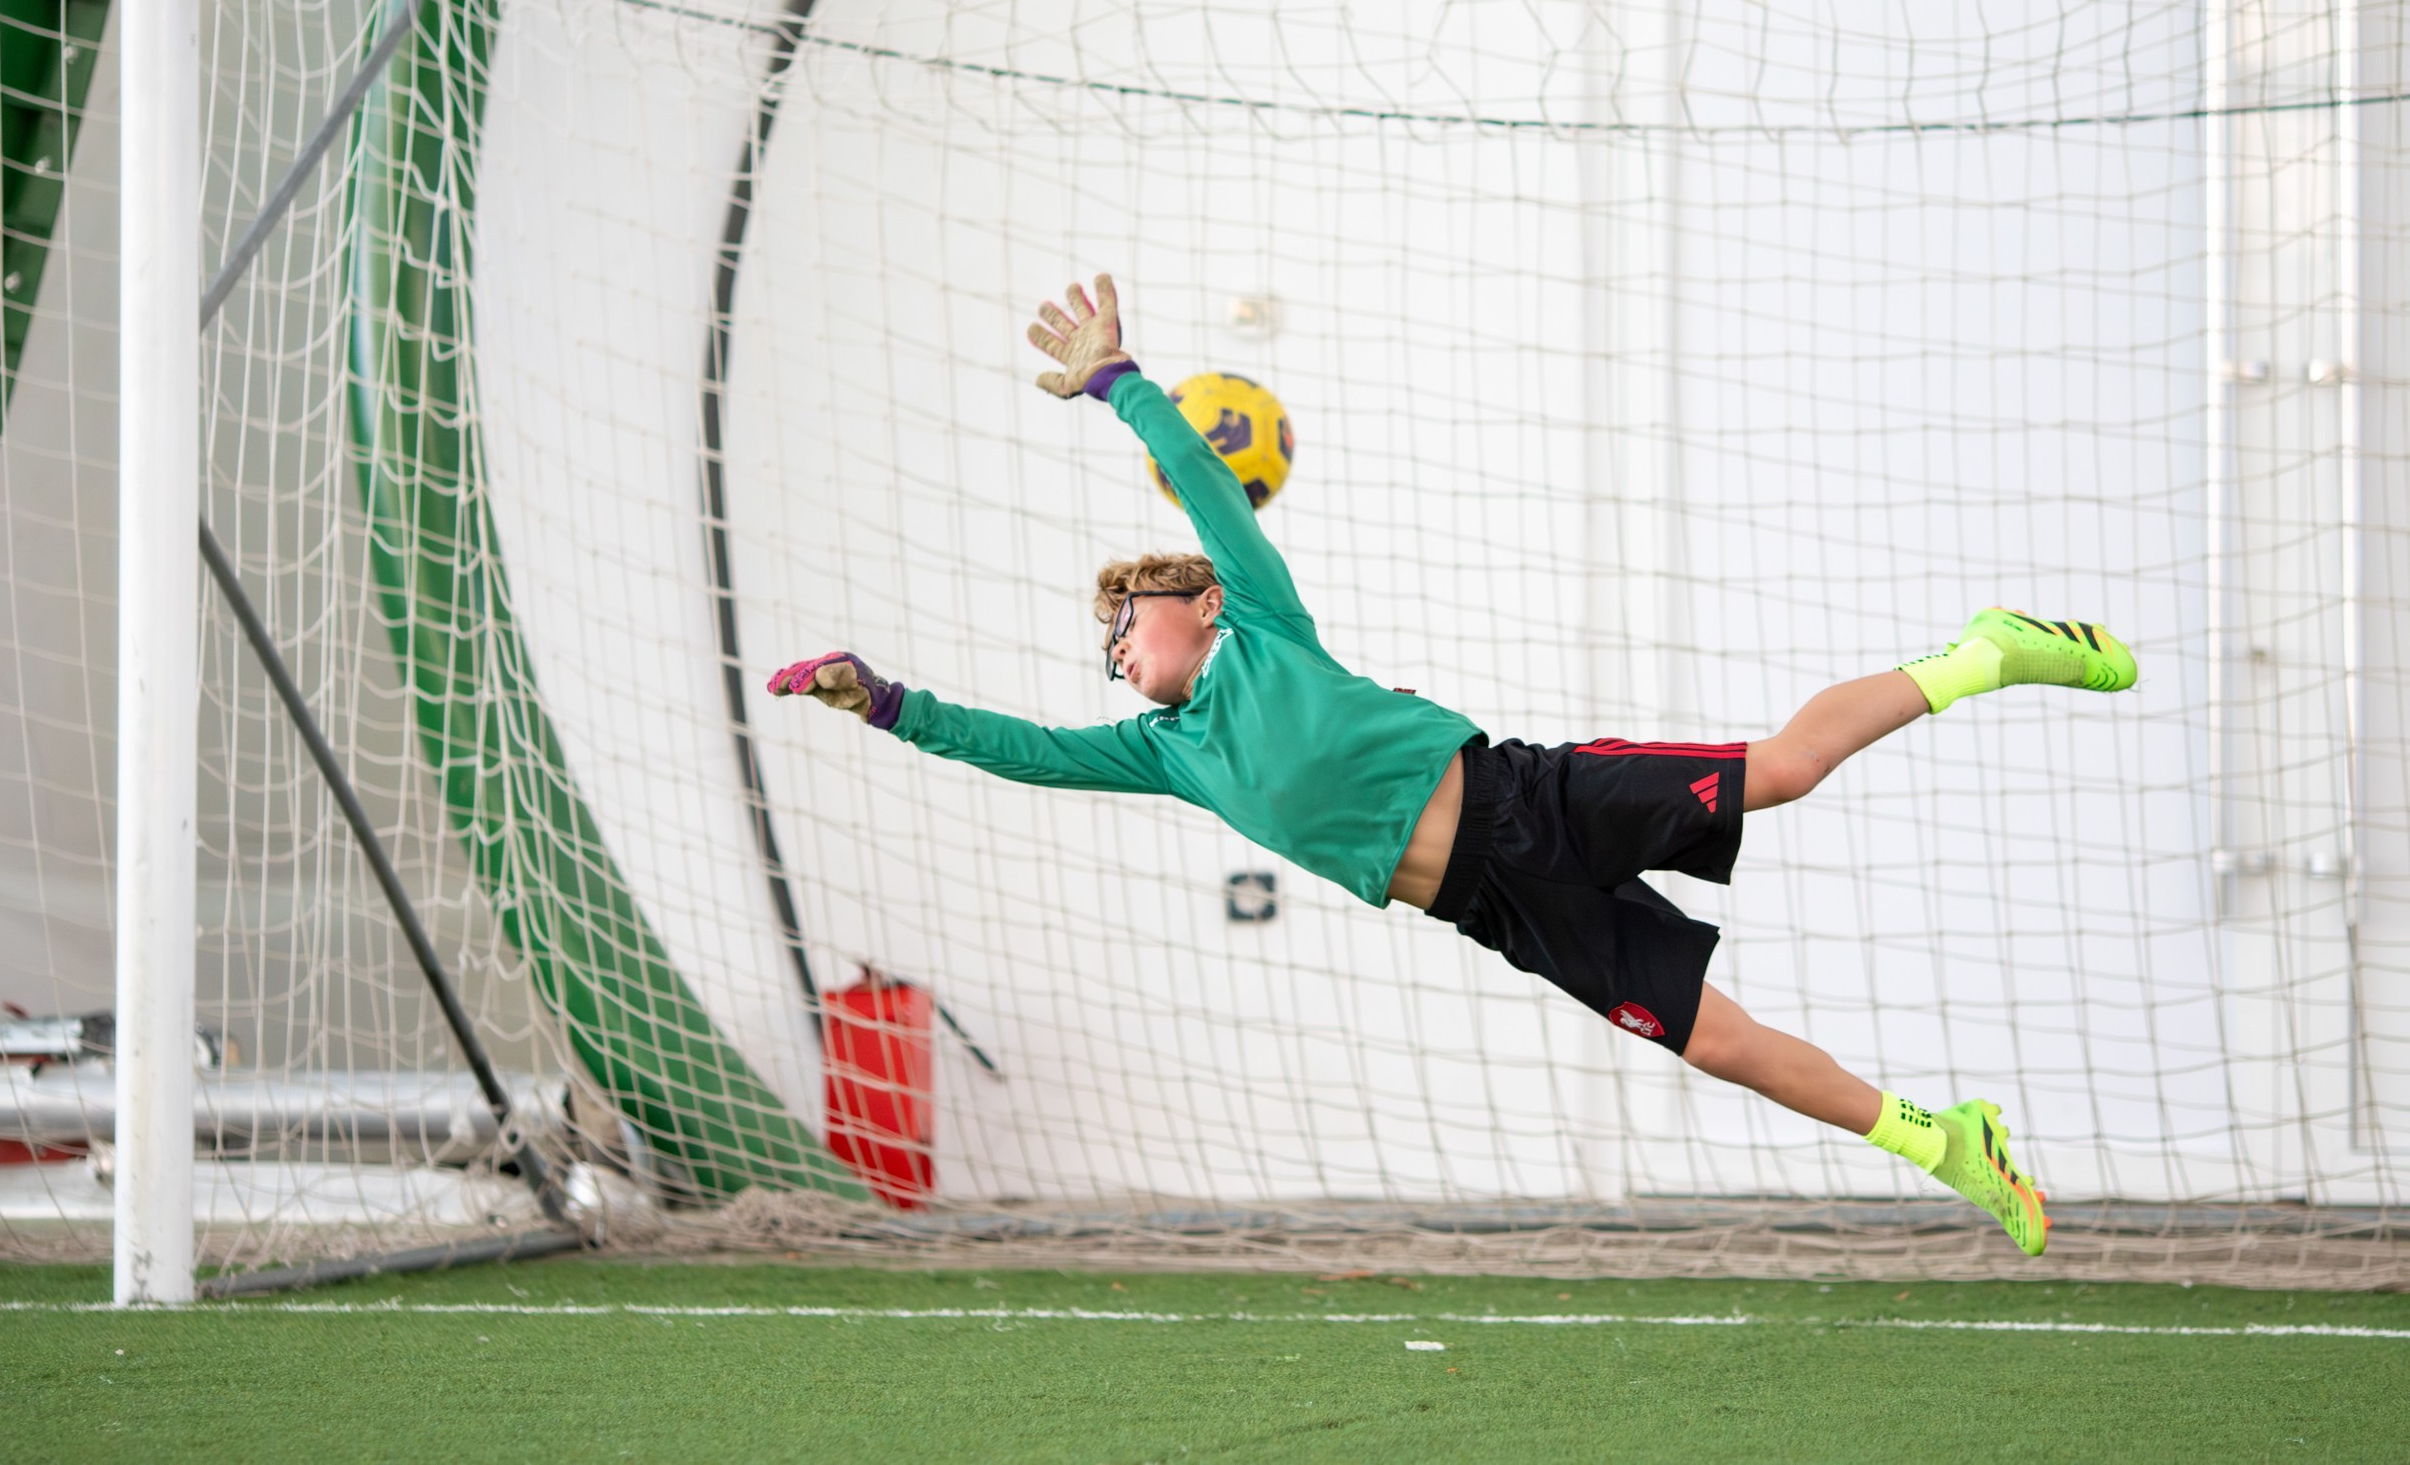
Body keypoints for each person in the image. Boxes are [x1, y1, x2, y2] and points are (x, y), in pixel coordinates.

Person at [769, 274, 2138, 1256]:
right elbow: (1017, 752)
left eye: (1126, 622)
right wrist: (883, 701)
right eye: (1105, 649)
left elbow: (1197, 477)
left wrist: (1122, 384)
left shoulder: (1260, 625)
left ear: (1191, 600)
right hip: (1493, 908)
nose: (1117, 650)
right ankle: (1943, 1142)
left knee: (1780, 771)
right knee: (1713, 1043)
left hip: (1530, 796)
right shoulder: (1164, 754)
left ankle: (1986, 652)